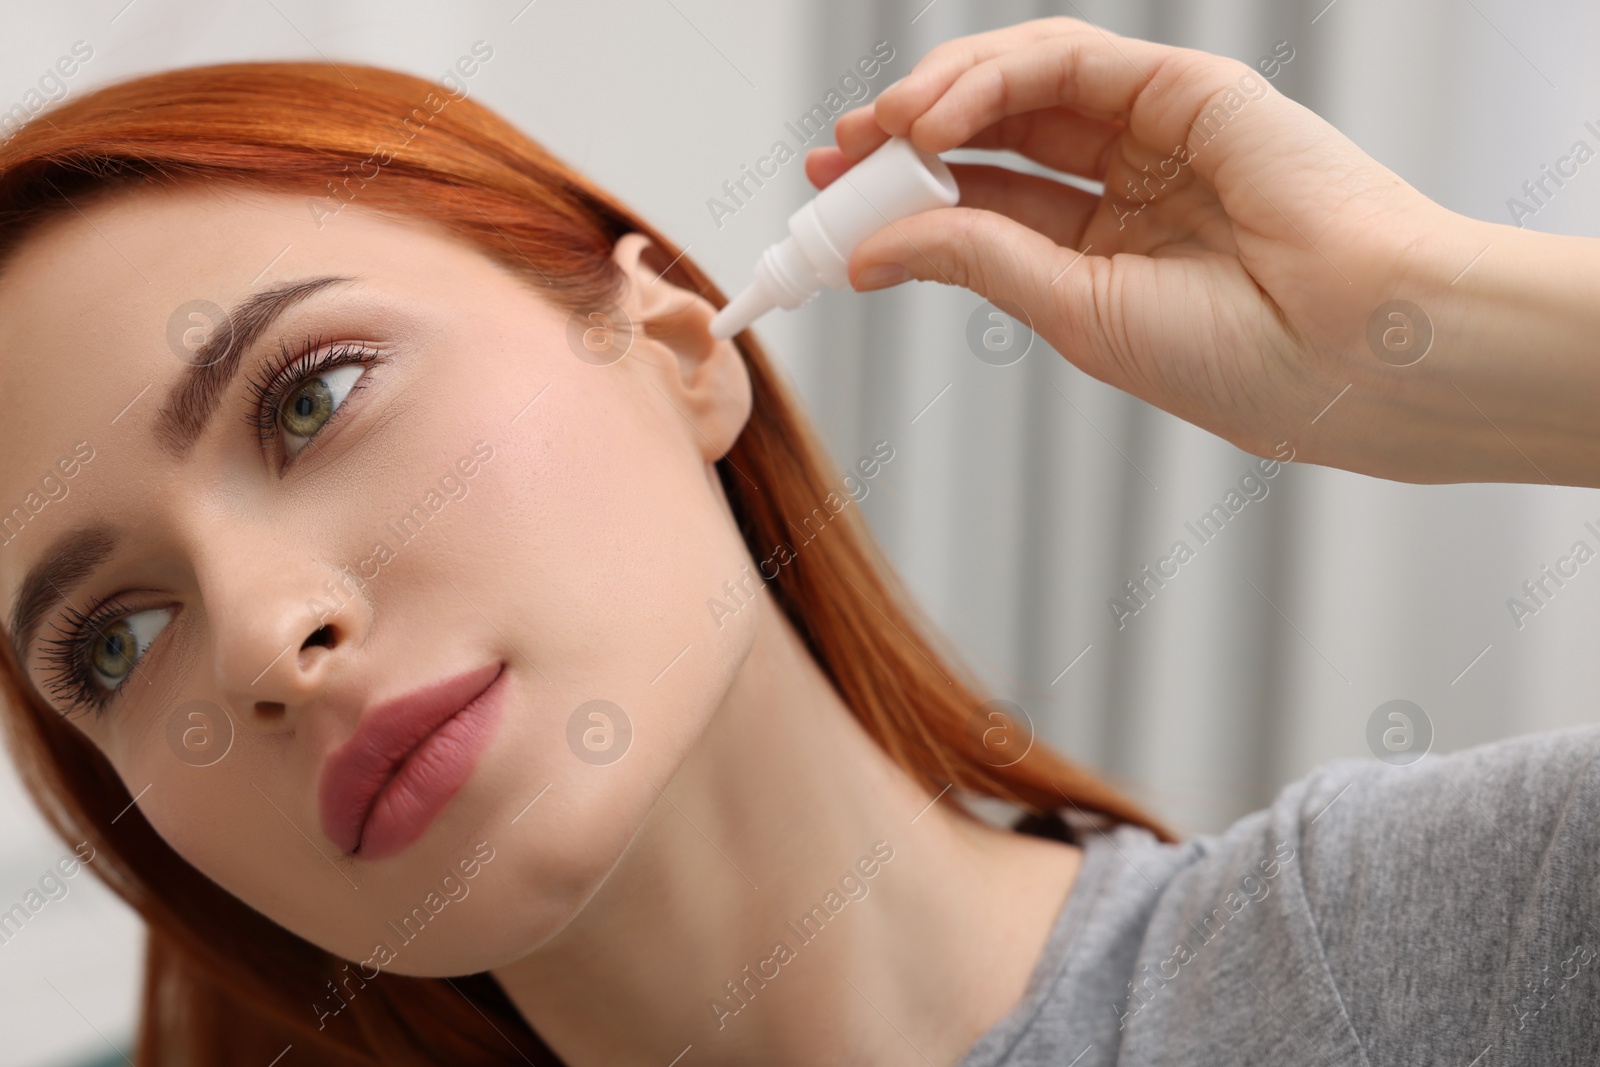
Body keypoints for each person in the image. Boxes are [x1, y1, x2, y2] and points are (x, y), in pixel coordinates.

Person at [0, 20, 1592, 1067]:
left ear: (686, 348)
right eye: (116, 642)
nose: (267, 637)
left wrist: (1441, 331)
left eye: (312, 397)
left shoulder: (1454, 953)